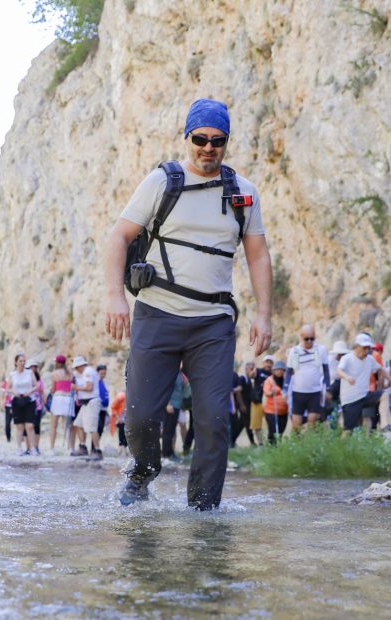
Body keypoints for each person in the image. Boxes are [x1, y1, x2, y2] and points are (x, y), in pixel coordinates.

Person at [104, 98, 272, 510]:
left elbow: (258, 256)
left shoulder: (243, 193)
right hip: (157, 314)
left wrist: (264, 314)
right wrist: (115, 297)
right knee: (142, 416)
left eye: (217, 140)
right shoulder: (162, 182)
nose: (208, 148)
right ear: (187, 138)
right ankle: (142, 473)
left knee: (214, 419)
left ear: (226, 142)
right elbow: (119, 237)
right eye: (200, 139)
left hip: (213, 323)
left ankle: (203, 511)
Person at [337, 333, 391, 431]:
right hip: (351, 399)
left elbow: (381, 369)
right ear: (357, 346)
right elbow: (338, 370)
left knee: (384, 395)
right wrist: (347, 377)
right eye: (364, 348)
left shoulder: (370, 359)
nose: (367, 351)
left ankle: (384, 424)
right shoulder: (347, 358)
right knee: (348, 431)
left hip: (364, 395)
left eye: (368, 348)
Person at [284, 324, 330, 431]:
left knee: (313, 422)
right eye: (306, 339)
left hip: (314, 392)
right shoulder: (294, 351)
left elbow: (326, 371)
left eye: (312, 338)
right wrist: (285, 390)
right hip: (298, 392)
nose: (309, 341)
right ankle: (296, 441)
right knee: (296, 424)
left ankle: (310, 440)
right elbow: (289, 372)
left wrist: (327, 388)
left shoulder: (321, 350)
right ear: (301, 337)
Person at [5, 354, 38, 456]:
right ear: (16, 362)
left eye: (24, 361)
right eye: (20, 361)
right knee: (19, 426)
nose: (22, 363)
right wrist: (14, 391)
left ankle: (33, 448)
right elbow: (7, 388)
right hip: (17, 401)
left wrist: (29, 391)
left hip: (29, 400)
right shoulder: (12, 374)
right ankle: (19, 448)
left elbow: (36, 386)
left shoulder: (30, 373)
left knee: (30, 425)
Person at [71, 355, 102, 459]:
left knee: (92, 427)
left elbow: (89, 388)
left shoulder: (88, 372)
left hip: (92, 401)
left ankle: (97, 450)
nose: (76, 369)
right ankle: (83, 447)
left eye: (76, 367)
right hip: (85, 402)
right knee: (78, 423)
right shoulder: (85, 372)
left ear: (80, 365)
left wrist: (76, 388)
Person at [48, 355, 73, 450]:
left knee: (53, 425)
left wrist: (51, 391)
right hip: (68, 398)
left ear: (57, 363)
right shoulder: (70, 373)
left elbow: (53, 389)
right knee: (67, 425)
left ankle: (52, 448)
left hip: (58, 397)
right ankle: (70, 447)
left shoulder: (54, 374)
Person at [248, 355, 273, 446]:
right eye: (267, 362)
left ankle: (271, 442)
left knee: (271, 423)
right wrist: (252, 371)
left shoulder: (273, 374)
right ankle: (261, 444)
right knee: (256, 424)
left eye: (270, 362)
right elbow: (251, 376)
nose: (268, 364)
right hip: (257, 401)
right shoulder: (258, 371)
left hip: (269, 402)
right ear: (263, 363)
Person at [262, 360, 288, 444]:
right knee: (273, 430)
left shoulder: (286, 381)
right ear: (274, 370)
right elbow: (266, 392)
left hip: (284, 411)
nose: (280, 371)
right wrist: (271, 392)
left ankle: (277, 447)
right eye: (278, 369)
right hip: (271, 411)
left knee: (281, 430)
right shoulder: (269, 380)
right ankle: (272, 447)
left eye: (282, 369)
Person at [97, 364, 111, 439]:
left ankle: (96, 444)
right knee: (97, 428)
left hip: (104, 409)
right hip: (97, 408)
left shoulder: (105, 382)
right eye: (101, 373)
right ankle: (94, 445)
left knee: (101, 429)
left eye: (104, 373)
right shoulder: (96, 382)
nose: (103, 375)